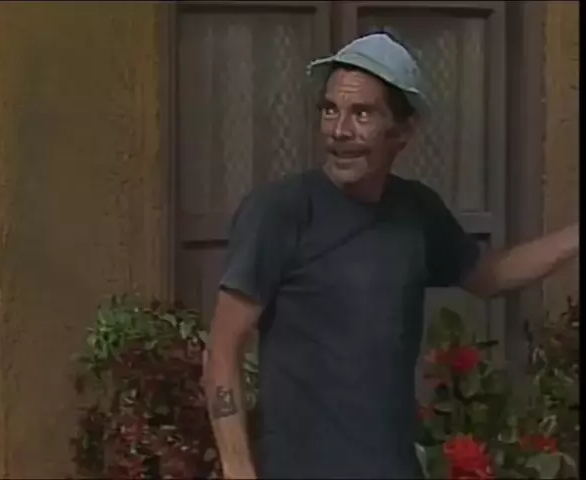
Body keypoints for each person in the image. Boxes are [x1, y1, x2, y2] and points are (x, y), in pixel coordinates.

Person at [202, 33, 579, 479]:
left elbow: (488, 275)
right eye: (330, 110)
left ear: (402, 131)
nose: (339, 131)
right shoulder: (280, 211)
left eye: (361, 113)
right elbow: (222, 349)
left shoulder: (416, 211)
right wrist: (238, 469)